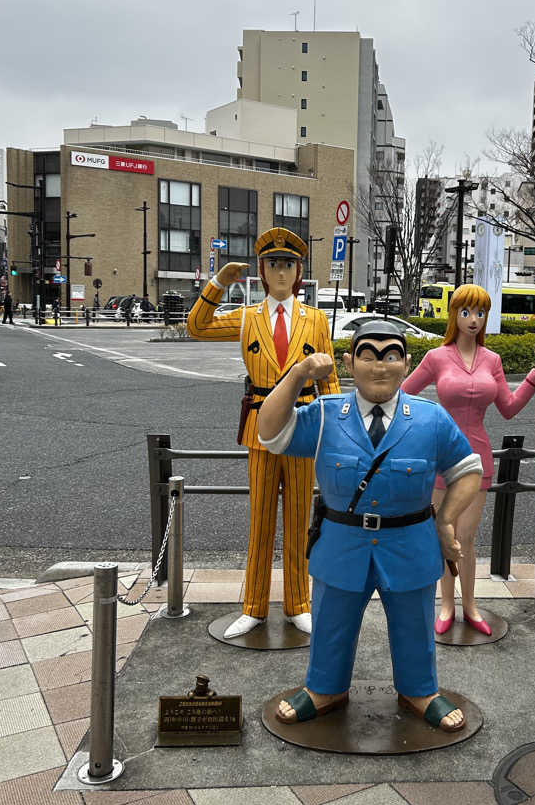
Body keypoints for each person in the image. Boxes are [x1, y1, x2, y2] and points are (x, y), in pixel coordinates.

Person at [259, 319, 483, 731]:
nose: (380, 366)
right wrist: (297, 376)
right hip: (342, 542)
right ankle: (324, 687)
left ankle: (420, 689)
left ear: (406, 364)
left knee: (414, 622)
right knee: (332, 620)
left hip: (409, 542)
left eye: (391, 356)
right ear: (350, 362)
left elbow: (469, 469)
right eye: (368, 355)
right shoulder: (326, 415)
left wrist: (446, 520)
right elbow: (270, 433)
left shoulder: (430, 419)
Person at [187, 227, 340, 638]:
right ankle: (253, 605)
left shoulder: (316, 319)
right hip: (259, 426)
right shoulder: (247, 317)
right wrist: (219, 281)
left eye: (287, 264)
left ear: (299, 271)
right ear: (261, 269)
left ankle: (298, 603)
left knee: (297, 519)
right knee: (259, 520)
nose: (280, 272)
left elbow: (328, 377)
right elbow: (197, 326)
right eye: (273, 263)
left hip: (305, 427)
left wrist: (339, 429)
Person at [402, 284, 535, 636]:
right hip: (440, 457)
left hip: (478, 458)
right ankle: (445, 605)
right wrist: (422, 424)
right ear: (454, 315)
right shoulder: (436, 357)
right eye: (467, 312)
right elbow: (400, 396)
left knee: (467, 539)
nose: (474, 320)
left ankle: (470, 606)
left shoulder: (493, 360)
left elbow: (508, 408)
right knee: (443, 536)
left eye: (480, 313)